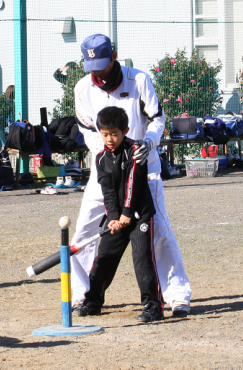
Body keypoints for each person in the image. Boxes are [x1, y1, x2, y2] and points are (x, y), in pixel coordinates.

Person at [70, 33, 191, 316]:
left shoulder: (138, 80)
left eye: (102, 64)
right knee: (84, 230)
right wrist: (107, 156)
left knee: (158, 232)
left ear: (114, 57)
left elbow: (157, 118)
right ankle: (82, 294)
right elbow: (88, 130)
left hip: (142, 169)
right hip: (105, 171)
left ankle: (177, 295)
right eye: (92, 68)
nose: (97, 73)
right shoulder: (82, 88)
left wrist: (148, 143)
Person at [76, 106, 163, 322]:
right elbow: (107, 192)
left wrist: (127, 213)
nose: (109, 139)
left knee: (142, 259)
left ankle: (153, 307)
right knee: (104, 257)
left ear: (125, 130)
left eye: (114, 134)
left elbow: (133, 183)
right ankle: (93, 301)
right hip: (118, 217)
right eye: (105, 134)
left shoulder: (135, 150)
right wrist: (113, 217)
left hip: (138, 215)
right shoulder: (100, 159)